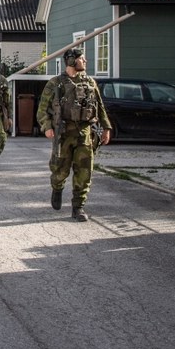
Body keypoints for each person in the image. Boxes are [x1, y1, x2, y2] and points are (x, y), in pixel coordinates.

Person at [36, 47, 111, 222]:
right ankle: (57, 187)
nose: (85, 61)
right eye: (82, 59)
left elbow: (100, 107)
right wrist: (47, 126)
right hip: (63, 134)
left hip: (85, 133)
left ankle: (78, 207)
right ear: (70, 61)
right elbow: (42, 110)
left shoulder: (90, 83)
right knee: (60, 171)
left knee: (84, 172)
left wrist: (106, 128)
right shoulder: (55, 84)